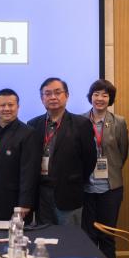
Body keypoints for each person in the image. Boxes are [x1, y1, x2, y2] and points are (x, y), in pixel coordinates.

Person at [27, 77, 96, 226]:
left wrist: (74, 179)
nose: (53, 97)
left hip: (69, 193)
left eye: (57, 92)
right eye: (48, 93)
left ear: (67, 95)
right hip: (41, 194)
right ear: (42, 98)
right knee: (44, 235)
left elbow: (90, 159)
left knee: (69, 237)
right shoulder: (33, 125)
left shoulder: (81, 124)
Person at [80, 79, 129, 258]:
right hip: (86, 188)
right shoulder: (80, 121)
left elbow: (122, 153)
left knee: (107, 236)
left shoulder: (119, 122)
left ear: (110, 99)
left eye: (105, 95)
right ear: (90, 97)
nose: (100, 98)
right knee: (88, 236)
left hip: (111, 189)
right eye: (96, 94)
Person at [0, 89, 40, 222]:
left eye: (11, 105)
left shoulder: (28, 133)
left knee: (18, 235)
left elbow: (29, 172)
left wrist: (25, 202)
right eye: (2, 105)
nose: (6, 109)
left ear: (18, 107)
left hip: (17, 203)